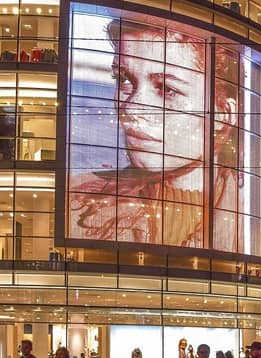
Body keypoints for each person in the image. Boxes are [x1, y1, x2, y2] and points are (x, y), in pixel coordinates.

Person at [68, 17, 243, 252]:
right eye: (123, 80)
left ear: (222, 115)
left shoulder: (254, 221)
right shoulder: (74, 200)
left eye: (167, 89)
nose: (130, 108)